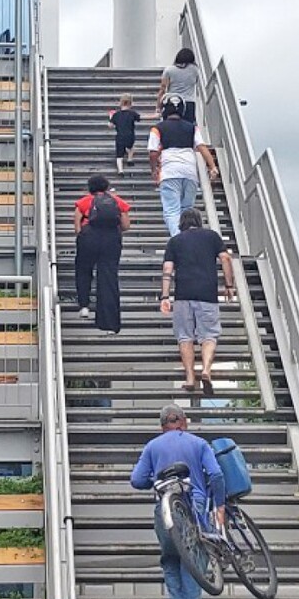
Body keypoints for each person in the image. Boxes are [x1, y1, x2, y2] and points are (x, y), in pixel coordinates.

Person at [129, 404, 226, 599]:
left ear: (162, 426)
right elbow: (216, 474)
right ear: (184, 421)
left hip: (165, 515)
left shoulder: (152, 446)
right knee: (192, 575)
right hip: (193, 514)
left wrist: (157, 480)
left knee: (170, 562)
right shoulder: (199, 443)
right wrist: (220, 505)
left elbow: (136, 480)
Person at [160, 209, 235, 394]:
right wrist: (229, 284)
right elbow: (225, 257)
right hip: (207, 294)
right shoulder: (212, 236)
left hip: (183, 295)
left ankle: (190, 378)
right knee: (209, 335)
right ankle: (206, 370)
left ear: (182, 223)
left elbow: (167, 268)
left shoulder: (175, 241)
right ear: (199, 221)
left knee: (185, 336)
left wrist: (164, 296)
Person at [147, 95, 220, 237]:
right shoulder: (192, 128)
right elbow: (202, 147)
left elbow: (153, 152)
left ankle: (178, 239)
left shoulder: (157, 128)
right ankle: (189, 238)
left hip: (169, 171)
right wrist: (212, 166)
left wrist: (154, 168)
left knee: (171, 210)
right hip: (190, 171)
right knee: (187, 209)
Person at [73, 175, 131, 333]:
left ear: (89, 187)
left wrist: (84, 235)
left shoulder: (83, 202)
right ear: (106, 187)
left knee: (83, 271)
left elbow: (77, 227)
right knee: (108, 277)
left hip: (89, 238)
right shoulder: (117, 201)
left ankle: (84, 306)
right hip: (111, 240)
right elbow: (126, 225)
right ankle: (109, 321)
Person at [158, 47, 200, 119]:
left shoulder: (169, 70)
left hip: (172, 101)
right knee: (188, 128)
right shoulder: (195, 70)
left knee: (170, 127)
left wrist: (158, 106)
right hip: (189, 103)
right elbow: (196, 81)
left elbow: (163, 89)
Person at [108, 94, 142, 174]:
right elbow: (140, 117)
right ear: (131, 103)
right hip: (130, 135)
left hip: (119, 136)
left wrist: (111, 118)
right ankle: (130, 159)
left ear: (120, 102)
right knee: (131, 147)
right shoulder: (132, 113)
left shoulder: (116, 114)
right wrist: (155, 115)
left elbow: (110, 125)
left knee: (119, 155)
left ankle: (120, 170)